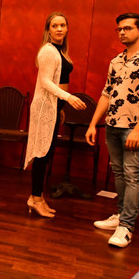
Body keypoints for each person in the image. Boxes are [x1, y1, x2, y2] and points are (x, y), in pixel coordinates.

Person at [85, 13, 139, 247]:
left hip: (137, 128)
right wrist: (93, 124)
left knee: (133, 175)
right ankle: (120, 216)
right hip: (113, 125)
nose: (122, 32)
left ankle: (127, 227)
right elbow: (106, 93)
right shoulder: (116, 61)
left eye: (128, 28)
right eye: (119, 29)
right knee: (119, 173)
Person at [23, 13, 86, 217]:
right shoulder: (48, 51)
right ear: (48, 30)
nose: (59, 29)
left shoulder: (60, 51)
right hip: (44, 108)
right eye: (54, 25)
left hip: (54, 107)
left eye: (63, 25)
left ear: (67, 28)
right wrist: (68, 98)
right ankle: (35, 198)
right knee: (42, 154)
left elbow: (59, 79)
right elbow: (45, 82)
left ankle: (38, 197)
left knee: (47, 153)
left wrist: (60, 108)